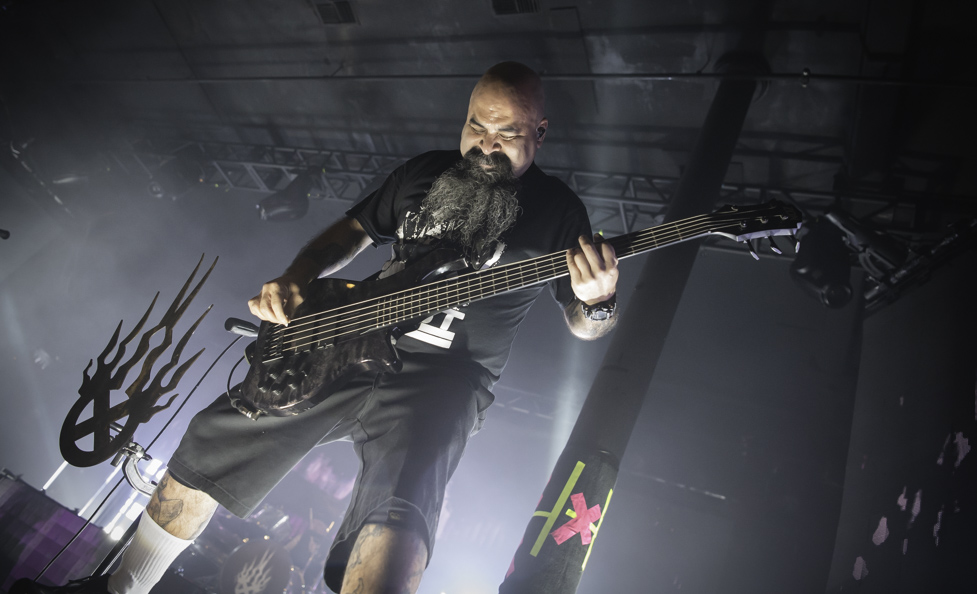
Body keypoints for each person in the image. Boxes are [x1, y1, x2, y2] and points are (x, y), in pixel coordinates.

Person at [13, 61, 619, 594]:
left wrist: (597, 302)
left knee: (399, 519)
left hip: (445, 382)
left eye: (507, 133)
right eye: (475, 126)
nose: (485, 146)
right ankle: (117, 590)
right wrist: (297, 274)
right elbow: (353, 230)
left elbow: (584, 324)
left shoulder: (560, 212)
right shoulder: (426, 173)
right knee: (207, 441)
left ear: (539, 133)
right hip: (349, 347)